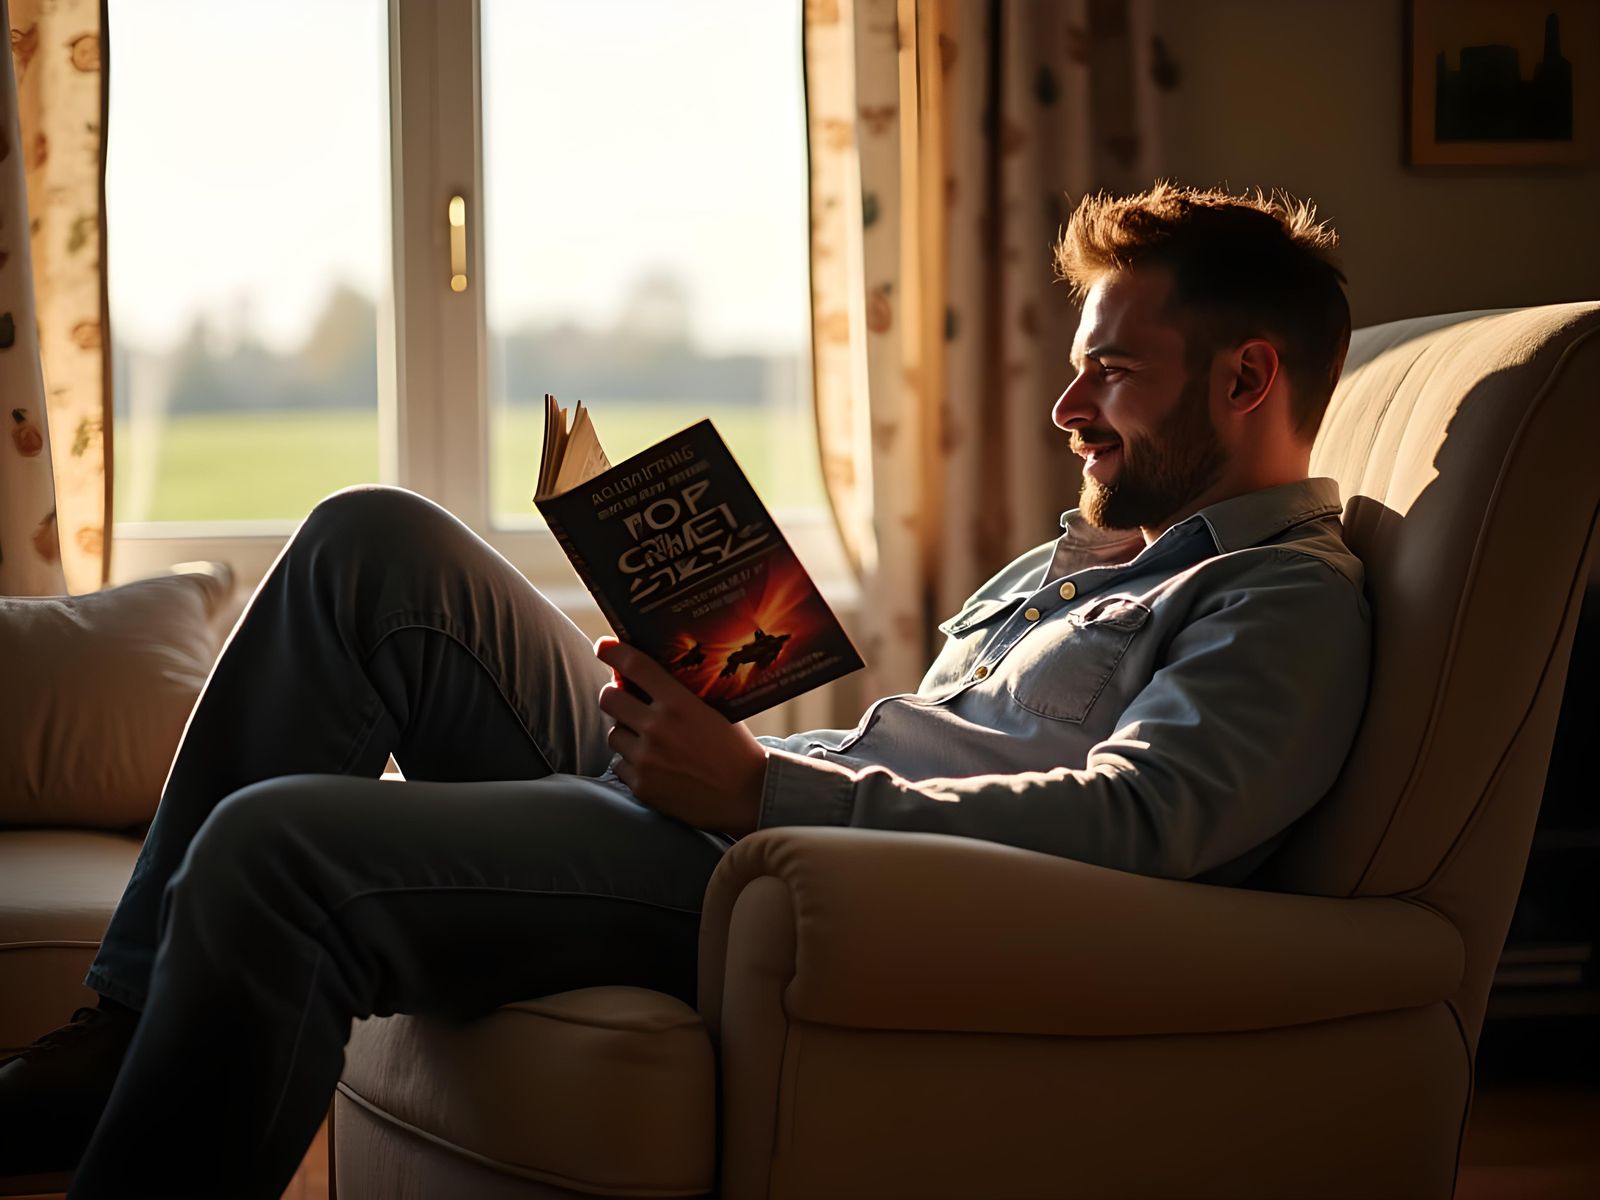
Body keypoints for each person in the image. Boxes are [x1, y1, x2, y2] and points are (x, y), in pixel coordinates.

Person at [0, 181, 1370, 1198]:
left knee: (275, 847)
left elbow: (1138, 831)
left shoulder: (1280, 599)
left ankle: (109, 1110)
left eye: (1111, 374)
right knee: (373, 545)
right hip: (742, 820)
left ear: (1249, 377)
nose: (1070, 410)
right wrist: (702, 709)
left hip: (779, 870)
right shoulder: (1082, 560)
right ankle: (122, 1029)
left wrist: (758, 787)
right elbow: (948, 747)